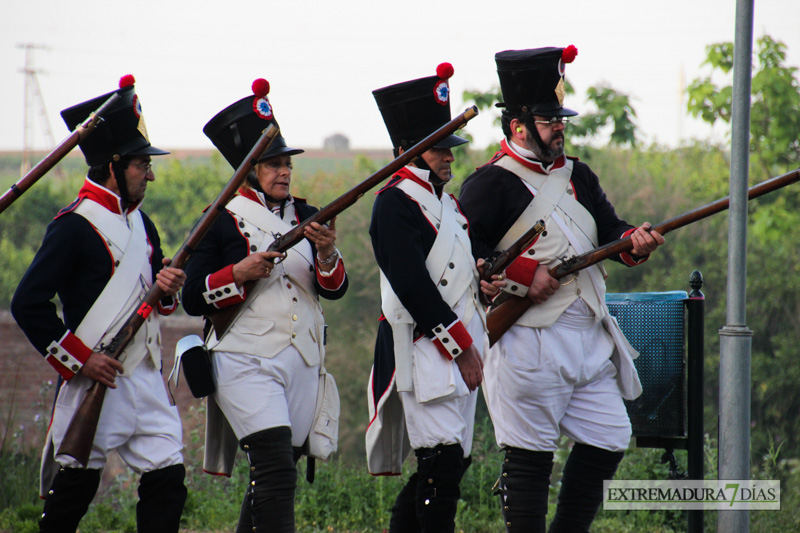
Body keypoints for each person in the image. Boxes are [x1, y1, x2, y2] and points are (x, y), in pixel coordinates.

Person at [459, 46, 665, 533]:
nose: (559, 126)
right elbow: (467, 256)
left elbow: (612, 231)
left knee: (610, 437)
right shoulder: (488, 183)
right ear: (518, 126)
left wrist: (634, 242)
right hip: (529, 339)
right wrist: (525, 276)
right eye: (548, 119)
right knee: (530, 459)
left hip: (587, 337)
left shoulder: (579, 175)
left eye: (559, 117)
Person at [10, 75, 187, 533]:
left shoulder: (143, 224)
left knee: (168, 476)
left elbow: (152, 299)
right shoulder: (72, 226)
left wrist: (166, 290)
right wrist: (82, 361)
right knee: (72, 497)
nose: (149, 174)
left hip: (144, 374)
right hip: (97, 379)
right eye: (140, 165)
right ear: (113, 165)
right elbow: (28, 303)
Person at [181, 78, 349, 533]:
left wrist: (328, 252)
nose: (283, 172)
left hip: (302, 361)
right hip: (244, 358)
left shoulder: (308, 214)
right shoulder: (219, 221)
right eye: (271, 164)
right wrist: (237, 273)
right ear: (248, 170)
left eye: (285, 164)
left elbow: (333, 288)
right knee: (275, 471)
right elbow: (191, 294)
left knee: (270, 478)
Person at [365, 63, 501, 533]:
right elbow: (413, 288)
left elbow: (451, 270)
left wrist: (480, 276)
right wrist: (461, 345)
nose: (449, 156)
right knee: (440, 465)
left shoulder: (446, 202)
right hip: (427, 350)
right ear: (408, 150)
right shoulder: (394, 202)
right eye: (439, 147)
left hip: (458, 345)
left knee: (446, 466)